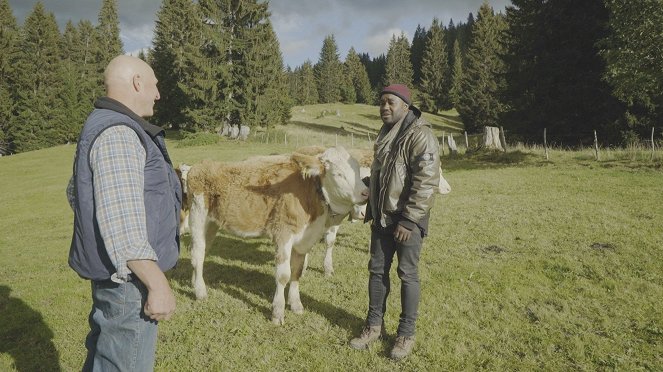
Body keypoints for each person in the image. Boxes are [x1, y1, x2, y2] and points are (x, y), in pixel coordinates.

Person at [66, 55, 182, 371]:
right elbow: (123, 224)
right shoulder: (119, 132)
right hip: (129, 283)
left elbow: (76, 193)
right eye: (155, 85)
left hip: (116, 276)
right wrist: (157, 284)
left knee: (106, 358)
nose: (158, 94)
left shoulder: (104, 123)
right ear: (137, 82)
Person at [349, 84, 440, 360]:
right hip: (382, 217)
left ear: (405, 106)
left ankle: (406, 333)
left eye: (390, 102)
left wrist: (409, 220)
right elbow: (384, 175)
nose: (384, 107)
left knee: (407, 274)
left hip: (405, 221)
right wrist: (365, 187)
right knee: (377, 271)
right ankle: (374, 326)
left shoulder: (420, 136)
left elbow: (426, 183)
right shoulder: (386, 133)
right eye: (381, 103)